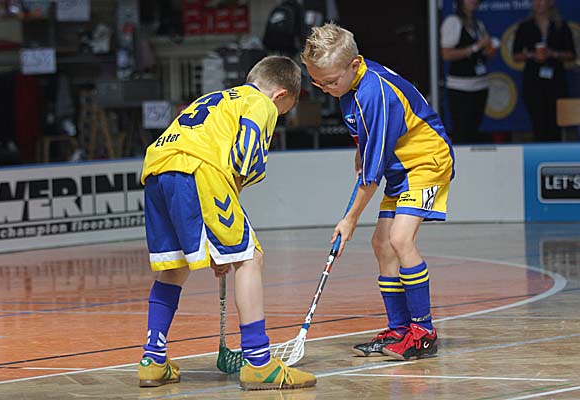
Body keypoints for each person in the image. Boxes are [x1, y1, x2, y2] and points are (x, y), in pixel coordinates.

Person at [138, 55, 316, 390]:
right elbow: (244, 158)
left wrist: (218, 243)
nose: (279, 116)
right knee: (249, 258)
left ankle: (153, 360)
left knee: (175, 268)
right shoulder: (261, 104)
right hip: (198, 172)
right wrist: (226, 242)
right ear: (280, 95)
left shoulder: (215, 98)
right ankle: (259, 363)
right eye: (284, 110)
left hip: (157, 172)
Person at [301, 23, 455, 360]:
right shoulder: (349, 85)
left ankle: (423, 332)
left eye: (330, 82)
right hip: (401, 168)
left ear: (354, 65)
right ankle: (398, 329)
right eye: (317, 83)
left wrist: (349, 220)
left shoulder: (374, 92)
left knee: (400, 239)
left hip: (426, 162)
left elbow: (370, 178)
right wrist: (362, 149)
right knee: (382, 244)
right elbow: (369, 137)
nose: (325, 89)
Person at [512, 0, 576, 142]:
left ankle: (555, 152)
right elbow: (515, 55)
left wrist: (553, 54)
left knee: (555, 125)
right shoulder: (524, 26)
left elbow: (571, 54)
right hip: (533, 82)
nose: (539, 3)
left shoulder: (561, 26)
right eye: (536, 0)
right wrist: (532, 55)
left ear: (550, 2)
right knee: (538, 124)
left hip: (556, 82)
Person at [440, 0, 496, 144]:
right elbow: (446, 54)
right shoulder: (453, 22)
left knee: (473, 131)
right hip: (461, 87)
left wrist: (487, 51)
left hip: (480, 85)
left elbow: (481, 51)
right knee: (462, 131)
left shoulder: (478, 24)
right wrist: (474, 48)